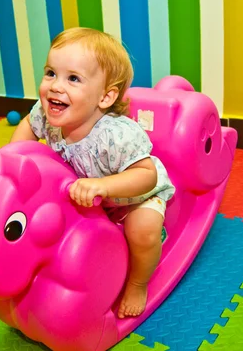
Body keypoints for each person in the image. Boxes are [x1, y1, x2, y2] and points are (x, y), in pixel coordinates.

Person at [10, 27, 175, 318]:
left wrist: (104, 186)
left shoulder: (117, 134)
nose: (55, 87)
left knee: (142, 231)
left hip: (134, 196)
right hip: (86, 194)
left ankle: (138, 283)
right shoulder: (47, 115)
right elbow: (27, 125)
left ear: (105, 97)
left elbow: (146, 175)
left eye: (73, 78)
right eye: (50, 73)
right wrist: (12, 158)